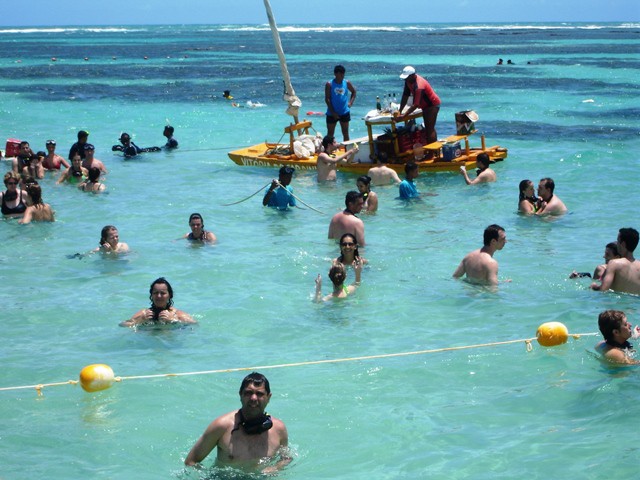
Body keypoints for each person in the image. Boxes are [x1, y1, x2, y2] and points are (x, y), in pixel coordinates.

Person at [185, 372, 290, 474]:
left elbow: (286, 458)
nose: (253, 398)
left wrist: (275, 468)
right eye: (248, 393)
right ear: (240, 395)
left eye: (259, 394)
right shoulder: (221, 426)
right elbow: (191, 462)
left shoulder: (279, 429)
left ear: (269, 397)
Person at [120, 277, 195, 326]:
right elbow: (122, 324)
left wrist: (173, 320)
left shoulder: (177, 314)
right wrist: (141, 320)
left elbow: (194, 324)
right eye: (155, 293)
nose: (159, 296)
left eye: (163, 293)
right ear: (151, 295)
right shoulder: (144, 313)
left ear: (170, 295)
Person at [396, 66, 441, 145]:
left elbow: (416, 104)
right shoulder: (408, 81)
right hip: (425, 106)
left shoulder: (419, 86)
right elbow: (405, 95)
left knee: (429, 130)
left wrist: (404, 116)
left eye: (406, 77)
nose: (405, 79)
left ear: (413, 75)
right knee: (429, 128)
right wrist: (400, 111)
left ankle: (431, 153)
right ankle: (434, 150)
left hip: (432, 105)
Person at [591, 227, 640, 295]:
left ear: (623, 244)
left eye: (618, 241)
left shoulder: (614, 263)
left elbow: (603, 290)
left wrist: (594, 287)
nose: (616, 244)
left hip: (618, 304)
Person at [325, 64, 356, 142]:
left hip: (344, 112)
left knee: (345, 133)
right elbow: (327, 99)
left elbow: (354, 92)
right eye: (340, 73)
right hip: (331, 113)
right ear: (335, 74)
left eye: (343, 73)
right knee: (330, 134)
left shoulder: (346, 82)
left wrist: (350, 103)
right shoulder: (329, 84)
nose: (342, 75)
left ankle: (347, 150)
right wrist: (333, 112)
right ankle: (329, 151)